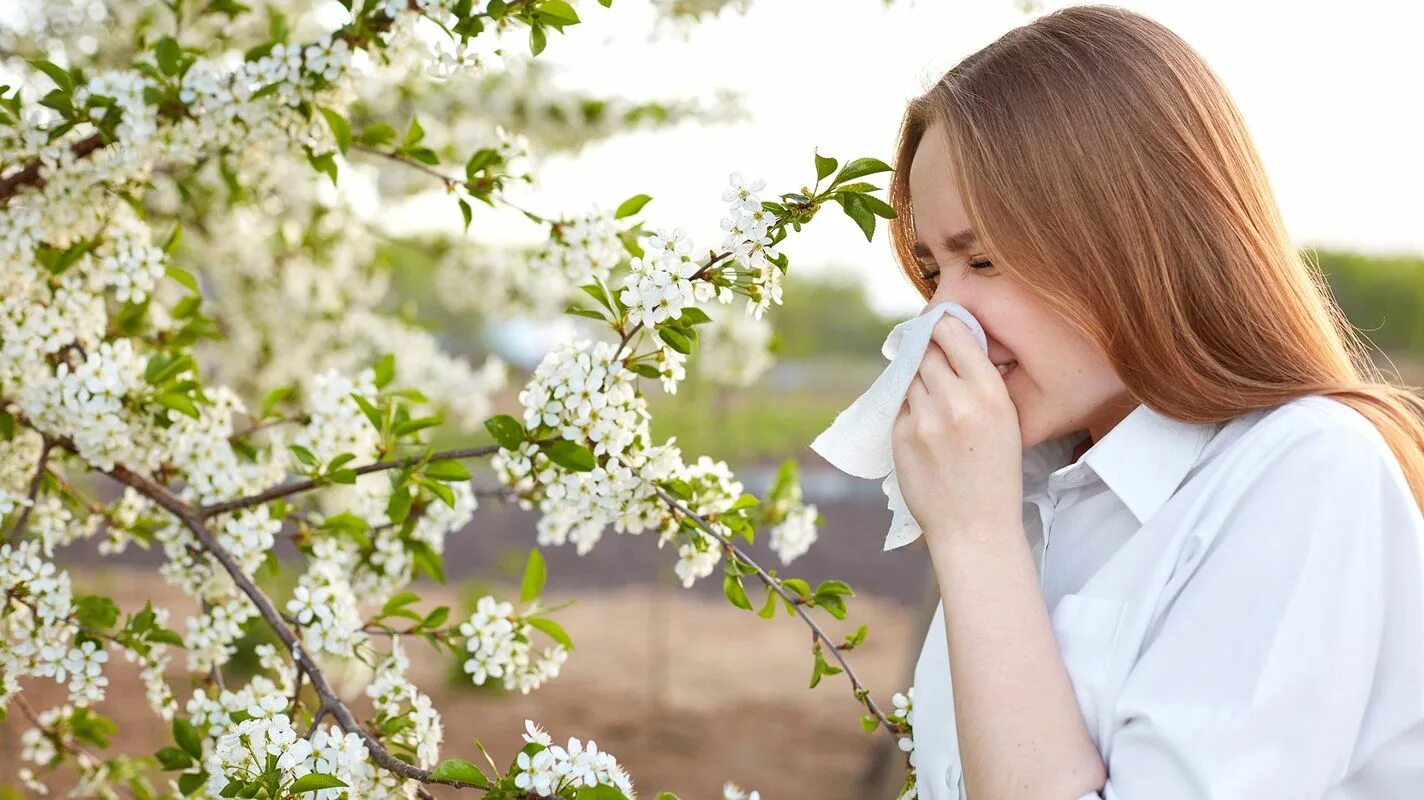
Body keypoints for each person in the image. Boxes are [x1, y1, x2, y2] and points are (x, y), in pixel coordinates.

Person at [883, 5, 1424, 799]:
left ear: (1134, 237)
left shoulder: (1305, 474)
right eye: (933, 271)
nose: (942, 319)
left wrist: (974, 541)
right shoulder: (1030, 490)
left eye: (986, 260)